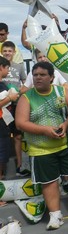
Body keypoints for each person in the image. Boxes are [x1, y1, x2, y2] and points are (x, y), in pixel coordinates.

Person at [15, 62, 68, 230]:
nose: (38, 78)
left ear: (51, 77)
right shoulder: (26, 97)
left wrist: (65, 124)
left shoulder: (62, 91)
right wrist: (44, 131)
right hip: (40, 149)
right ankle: (55, 216)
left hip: (66, 144)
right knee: (49, 182)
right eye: (35, 75)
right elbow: (20, 122)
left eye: (42, 75)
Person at [1, 41, 27, 176]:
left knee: (17, 136)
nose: (7, 53)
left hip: (15, 104)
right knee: (4, 135)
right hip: (3, 105)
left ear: (14, 52)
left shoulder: (19, 66)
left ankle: (19, 166)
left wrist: (19, 93)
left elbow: (25, 83)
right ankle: (3, 167)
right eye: (5, 51)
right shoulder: (0, 66)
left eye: (9, 51)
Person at [0, 57, 19, 181]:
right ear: (1, 67)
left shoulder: (2, 84)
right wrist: (9, 98)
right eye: (7, 68)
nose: (8, 71)